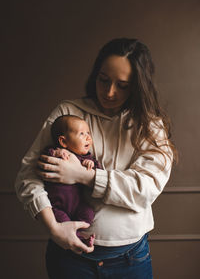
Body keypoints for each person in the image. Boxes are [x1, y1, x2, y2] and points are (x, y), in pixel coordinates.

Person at [15, 38, 177, 279]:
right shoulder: (68, 113)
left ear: (137, 86)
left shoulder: (150, 126)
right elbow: (28, 177)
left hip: (130, 260)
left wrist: (84, 175)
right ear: (95, 76)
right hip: (70, 259)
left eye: (122, 85)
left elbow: (144, 190)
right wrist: (54, 228)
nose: (109, 92)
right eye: (104, 80)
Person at [43, 115, 102, 247]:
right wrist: (57, 153)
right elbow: (45, 159)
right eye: (82, 134)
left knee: (88, 214)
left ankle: (81, 237)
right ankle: (79, 239)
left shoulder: (85, 157)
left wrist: (90, 164)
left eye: (88, 133)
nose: (88, 137)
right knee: (64, 224)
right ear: (63, 141)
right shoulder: (55, 151)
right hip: (56, 206)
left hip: (78, 204)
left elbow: (99, 173)